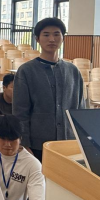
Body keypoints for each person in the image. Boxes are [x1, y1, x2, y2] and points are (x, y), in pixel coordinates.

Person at [13, 17, 84, 162]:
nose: (52, 39)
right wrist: (24, 143)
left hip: (69, 142)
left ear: (63, 38)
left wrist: (83, 140)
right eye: (46, 35)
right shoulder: (26, 71)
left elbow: (81, 109)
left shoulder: (73, 71)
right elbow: (20, 111)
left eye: (56, 34)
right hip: (38, 143)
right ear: (37, 39)